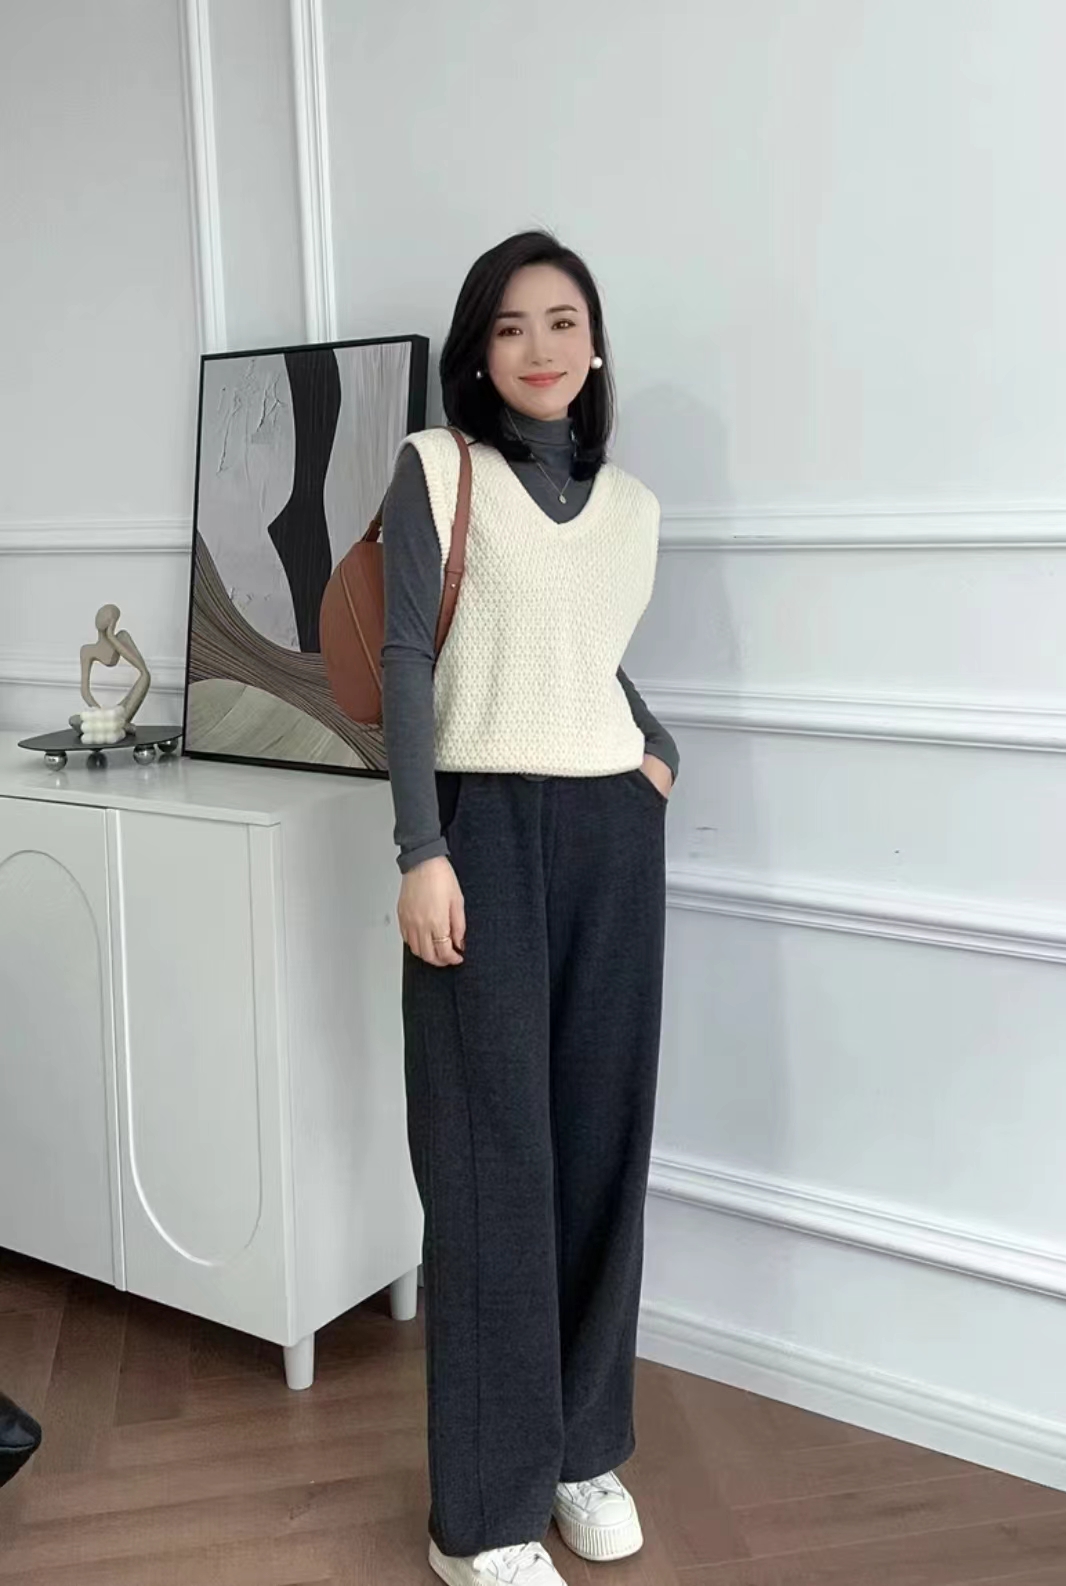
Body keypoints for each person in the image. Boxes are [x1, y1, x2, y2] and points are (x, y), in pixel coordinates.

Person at [380, 230, 678, 1586]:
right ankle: (484, 1518)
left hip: (612, 834)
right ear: (478, 351)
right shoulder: (437, 471)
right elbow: (407, 658)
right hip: (481, 834)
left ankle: (579, 1449)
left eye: (563, 322)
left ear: (595, 346)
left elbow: (584, 655)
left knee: (601, 1149)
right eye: (510, 327)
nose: (540, 347)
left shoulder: (635, 508)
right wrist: (420, 847)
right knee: (488, 1165)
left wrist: (654, 748)